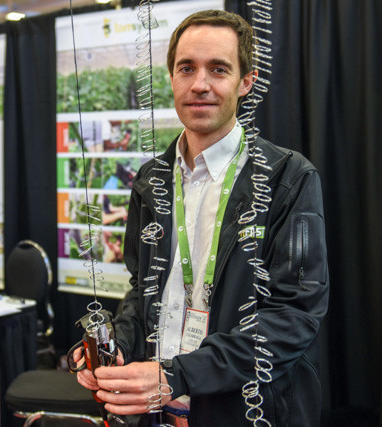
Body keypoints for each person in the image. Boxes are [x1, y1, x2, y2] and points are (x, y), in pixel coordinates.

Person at [73, 9, 329, 427]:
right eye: (187, 68)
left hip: (247, 412)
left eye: (219, 69)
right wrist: (117, 342)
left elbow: (294, 317)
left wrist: (180, 375)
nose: (200, 84)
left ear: (246, 81)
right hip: (157, 411)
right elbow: (142, 290)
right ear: (171, 77)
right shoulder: (151, 180)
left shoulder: (288, 178)